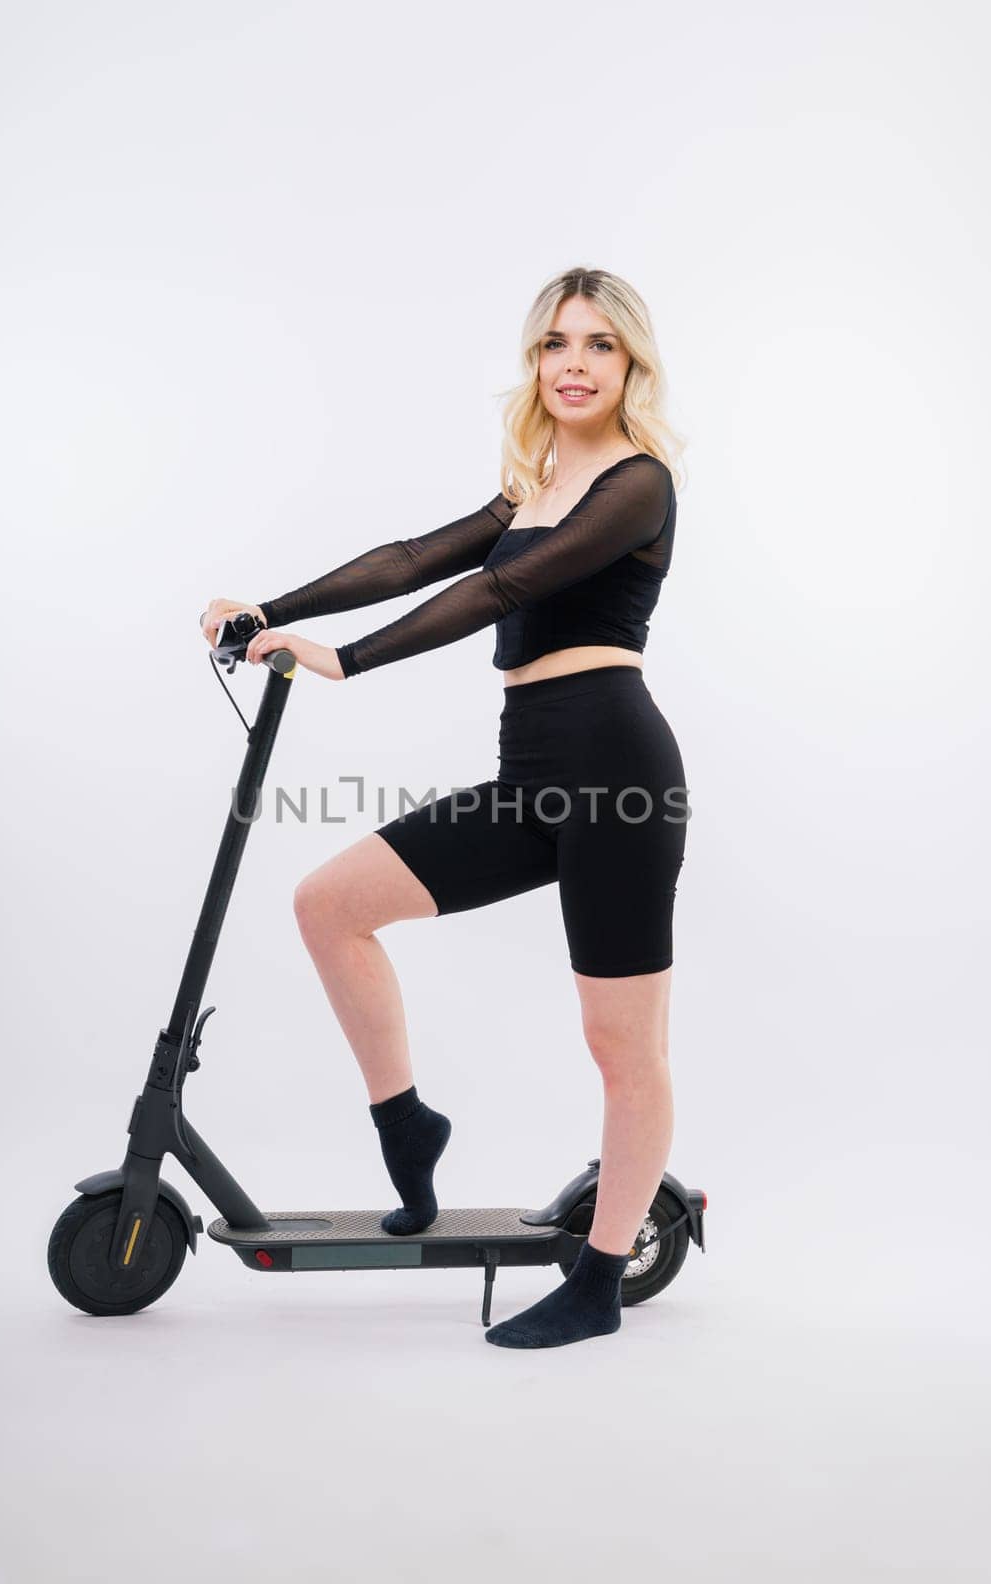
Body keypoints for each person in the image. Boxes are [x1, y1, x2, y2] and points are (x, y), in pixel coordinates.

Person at [201, 265, 689, 1350]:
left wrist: (348, 660)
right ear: (534, 361)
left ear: (630, 364)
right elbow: (419, 556)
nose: (573, 364)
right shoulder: (538, 481)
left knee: (620, 1042)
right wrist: (270, 610)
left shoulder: (636, 483)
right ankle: (407, 1123)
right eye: (556, 344)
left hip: (616, 778)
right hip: (530, 780)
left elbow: (505, 592)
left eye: (598, 345)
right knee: (330, 904)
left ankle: (599, 1278)